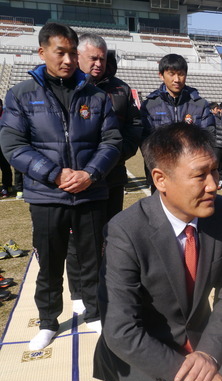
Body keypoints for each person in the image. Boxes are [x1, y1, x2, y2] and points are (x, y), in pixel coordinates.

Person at [93, 122, 222, 381]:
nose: (213, 185)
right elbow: (121, 330)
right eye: (199, 175)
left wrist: (208, 355)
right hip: (143, 358)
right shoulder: (125, 232)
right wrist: (193, 378)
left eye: (214, 171)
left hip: (198, 346)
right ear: (160, 180)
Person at [0, 22, 122, 350]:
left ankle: (95, 312)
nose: (67, 60)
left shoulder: (96, 96)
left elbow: (111, 141)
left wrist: (90, 174)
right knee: (50, 264)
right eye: (60, 53)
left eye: (71, 53)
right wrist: (54, 174)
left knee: (93, 259)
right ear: (42, 52)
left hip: (90, 193)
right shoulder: (21, 95)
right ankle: (48, 321)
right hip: (47, 196)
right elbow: (13, 145)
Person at [64, 33, 143, 315]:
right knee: (78, 237)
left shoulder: (121, 90)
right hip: (79, 177)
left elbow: (135, 125)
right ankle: (77, 290)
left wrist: (119, 154)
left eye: (102, 59)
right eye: (93, 58)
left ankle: (107, 284)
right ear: (79, 57)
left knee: (109, 233)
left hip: (112, 175)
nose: (98, 64)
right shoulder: (68, 87)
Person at [141, 53, 215, 189]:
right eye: (171, 74)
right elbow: (145, 142)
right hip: (163, 173)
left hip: (193, 174)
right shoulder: (150, 106)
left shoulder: (199, 105)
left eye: (181, 74)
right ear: (161, 75)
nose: (176, 79)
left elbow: (208, 138)